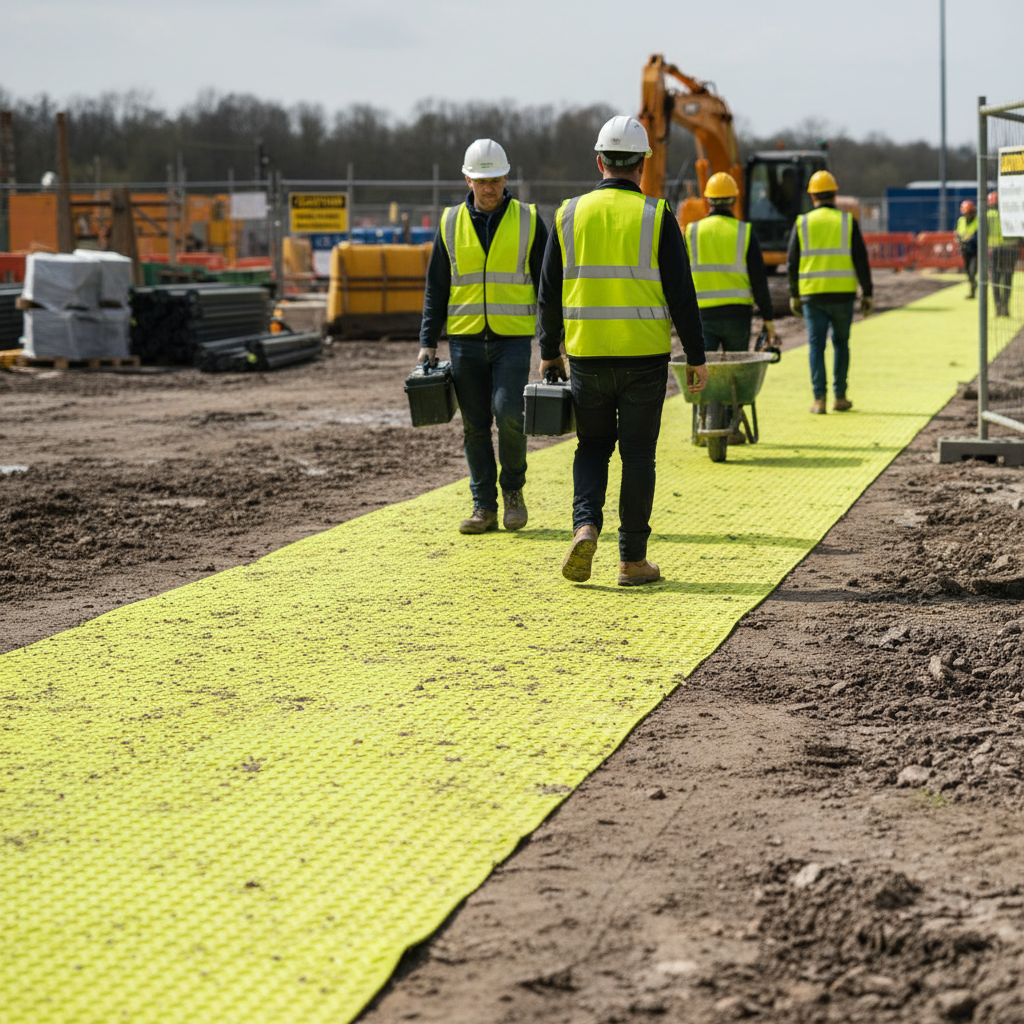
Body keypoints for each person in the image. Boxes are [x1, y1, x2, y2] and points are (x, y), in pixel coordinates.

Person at [537, 115, 708, 587]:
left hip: (586, 356)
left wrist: (549, 349)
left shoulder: (568, 214)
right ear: (642, 165)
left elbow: (548, 292)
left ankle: (585, 526)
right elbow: (682, 293)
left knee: (592, 446)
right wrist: (696, 356)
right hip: (644, 358)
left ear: (600, 161)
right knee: (637, 456)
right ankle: (632, 561)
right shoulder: (657, 215)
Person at [418, 139, 548, 534]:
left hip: (512, 339)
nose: (488, 188)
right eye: (481, 181)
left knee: (509, 412)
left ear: (506, 178)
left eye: (495, 180)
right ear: (468, 180)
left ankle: (513, 491)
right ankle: (483, 506)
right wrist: (427, 340)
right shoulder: (450, 222)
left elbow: (548, 286)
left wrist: (552, 342)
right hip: (465, 340)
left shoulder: (529, 220)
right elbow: (436, 286)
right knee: (474, 425)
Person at [787, 170, 873, 414]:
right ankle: (840, 397)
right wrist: (867, 293)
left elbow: (792, 262)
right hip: (843, 295)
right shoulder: (847, 222)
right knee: (841, 344)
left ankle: (819, 400)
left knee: (816, 346)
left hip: (812, 296)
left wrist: (794, 294)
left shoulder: (802, 223)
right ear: (834, 195)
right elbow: (861, 260)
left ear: (812, 196)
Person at [988, 191, 1017, 318]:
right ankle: (1004, 306)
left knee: (996, 279)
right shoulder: (1012, 214)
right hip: (1009, 249)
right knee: (1007, 280)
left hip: (995, 250)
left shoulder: (988, 215)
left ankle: (999, 306)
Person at [956, 199, 978, 299]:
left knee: (972, 271)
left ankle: (973, 290)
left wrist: (969, 239)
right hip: (965, 250)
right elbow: (958, 233)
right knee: (968, 272)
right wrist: (960, 240)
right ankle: (972, 287)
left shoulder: (978, 221)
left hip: (976, 251)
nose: (967, 215)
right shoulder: (961, 221)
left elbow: (978, 236)